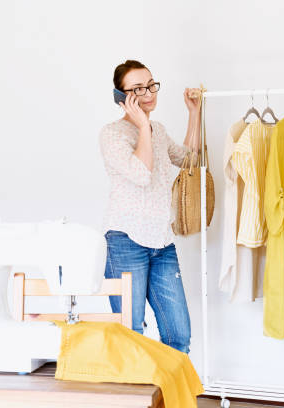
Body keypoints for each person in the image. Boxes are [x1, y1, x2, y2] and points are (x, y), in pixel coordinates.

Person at [99, 59, 201, 353]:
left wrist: (194, 114)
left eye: (151, 84)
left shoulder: (158, 129)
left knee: (178, 335)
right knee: (132, 334)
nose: (149, 93)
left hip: (162, 241)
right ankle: (133, 398)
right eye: (138, 89)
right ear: (122, 97)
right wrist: (143, 125)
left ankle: (168, 399)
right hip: (126, 240)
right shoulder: (112, 134)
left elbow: (189, 159)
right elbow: (142, 174)